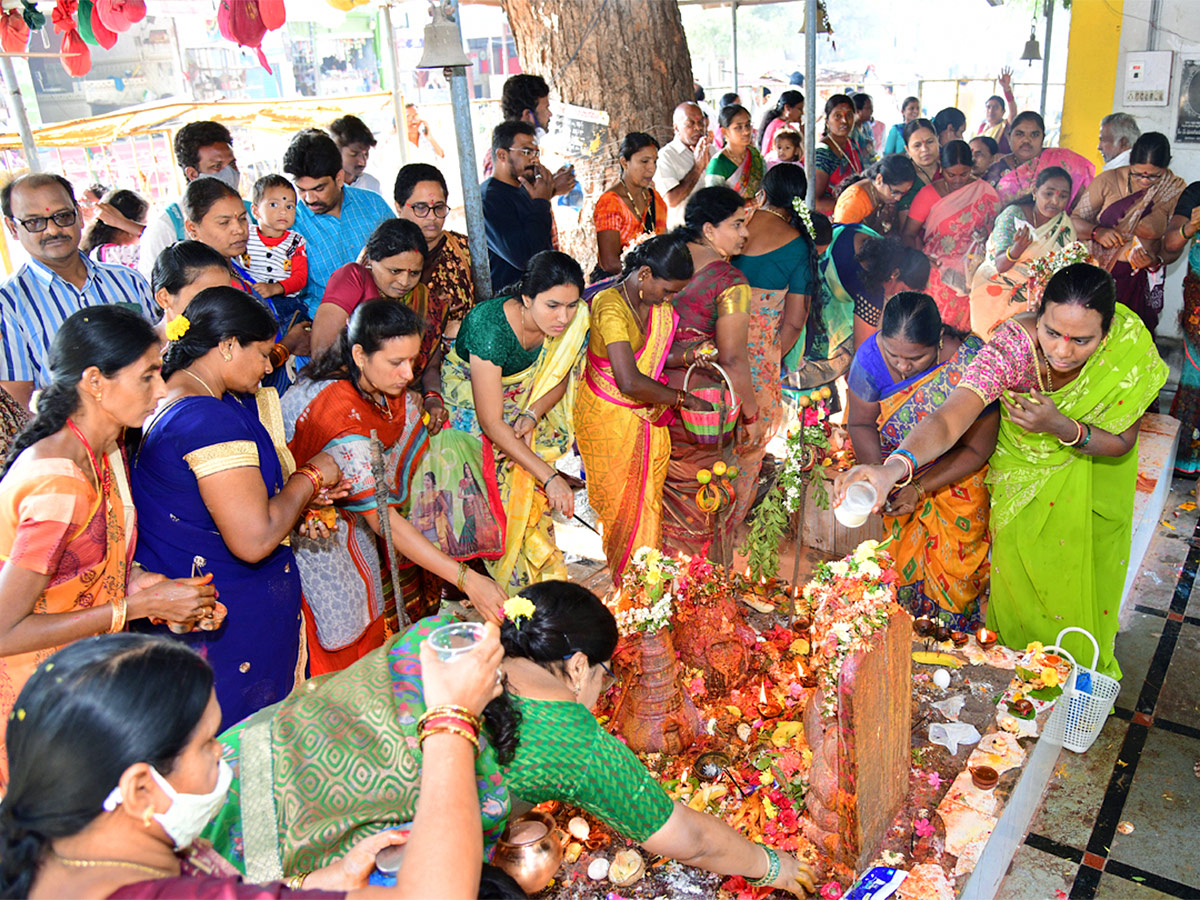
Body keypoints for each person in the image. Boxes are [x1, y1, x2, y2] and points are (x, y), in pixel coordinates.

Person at [203, 583, 819, 896]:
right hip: (290, 856)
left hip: (225, 761)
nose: (604, 690)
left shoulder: (444, 633)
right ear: (579, 667)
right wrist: (775, 863)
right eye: (605, 675)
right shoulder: (575, 744)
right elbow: (690, 838)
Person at [836, 263, 1167, 678]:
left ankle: (1078, 677)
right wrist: (893, 469)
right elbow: (948, 417)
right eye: (1051, 332)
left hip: (1096, 475)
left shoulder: (1127, 347)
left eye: (1082, 340)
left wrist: (1059, 426)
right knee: (1019, 586)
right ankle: (1024, 688)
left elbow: (1120, 442)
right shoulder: (1010, 349)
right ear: (1038, 311)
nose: (1063, 351)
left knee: (1083, 580)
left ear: (1107, 330)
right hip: (1021, 478)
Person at [0, 628, 506, 899]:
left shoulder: (57, 850)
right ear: (139, 791)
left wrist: (323, 881)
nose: (225, 752)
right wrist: (450, 718)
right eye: (206, 745)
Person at [0, 306, 218, 783]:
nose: (161, 390)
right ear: (95, 381)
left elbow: (79, 568)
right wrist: (134, 608)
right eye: (147, 377)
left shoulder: (104, 449)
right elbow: (4, 630)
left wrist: (151, 588)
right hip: (38, 699)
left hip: (81, 677)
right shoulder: (58, 483)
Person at [131, 287, 333, 729]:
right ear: (226, 346)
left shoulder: (173, 396)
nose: (268, 366)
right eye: (262, 353)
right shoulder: (207, 420)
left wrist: (298, 511)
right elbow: (255, 539)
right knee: (237, 747)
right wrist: (312, 478)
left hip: (195, 608)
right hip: (226, 614)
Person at [285, 300, 509, 674]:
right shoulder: (338, 412)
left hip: (351, 521)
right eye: (395, 363)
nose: (408, 374)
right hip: (314, 534)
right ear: (358, 354)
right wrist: (466, 579)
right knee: (341, 630)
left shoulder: (378, 388)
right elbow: (381, 518)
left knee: (369, 616)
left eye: (413, 361)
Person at [846, 292, 997, 630]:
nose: (901, 366)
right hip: (895, 483)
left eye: (915, 358)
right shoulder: (869, 360)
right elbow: (860, 423)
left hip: (957, 481)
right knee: (898, 572)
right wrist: (880, 483)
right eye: (892, 354)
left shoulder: (972, 362)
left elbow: (977, 449)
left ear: (939, 339)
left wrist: (920, 486)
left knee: (955, 578)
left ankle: (954, 642)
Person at [440, 251, 588, 593]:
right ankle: (503, 591)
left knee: (528, 502)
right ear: (525, 298)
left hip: (522, 411)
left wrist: (531, 414)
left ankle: (537, 588)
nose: (563, 318)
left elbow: (559, 376)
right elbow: (491, 423)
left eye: (570, 305)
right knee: (495, 501)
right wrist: (549, 476)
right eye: (552, 306)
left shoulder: (574, 320)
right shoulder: (490, 328)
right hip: (473, 416)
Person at [575, 234, 700, 581]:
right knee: (620, 513)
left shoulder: (654, 306)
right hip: (608, 419)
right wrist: (681, 399)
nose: (670, 299)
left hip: (643, 417)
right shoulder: (609, 306)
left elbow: (654, 355)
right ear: (644, 274)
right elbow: (629, 380)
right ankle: (630, 589)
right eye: (668, 290)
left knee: (646, 507)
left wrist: (690, 355)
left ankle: (645, 585)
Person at [0, 173, 157, 409]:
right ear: (13, 228)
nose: (52, 230)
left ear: (79, 215)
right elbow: (19, 404)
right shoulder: (8, 304)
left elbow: (160, 356)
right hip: (71, 442)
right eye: (34, 222)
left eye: (62, 216)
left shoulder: (128, 281)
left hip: (147, 428)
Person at [659, 187, 756, 554]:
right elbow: (732, 359)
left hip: (646, 394)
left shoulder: (661, 259)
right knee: (702, 494)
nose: (745, 234)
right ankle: (697, 588)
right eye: (737, 224)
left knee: (658, 491)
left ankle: (656, 587)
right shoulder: (729, 281)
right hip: (699, 405)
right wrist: (751, 415)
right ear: (709, 229)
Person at [731, 165, 816, 521]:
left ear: (764, 189)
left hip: (709, 352)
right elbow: (795, 321)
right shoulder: (797, 245)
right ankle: (730, 525)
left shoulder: (735, 221)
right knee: (749, 449)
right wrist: (768, 352)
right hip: (757, 361)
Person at [181, 178, 309, 390]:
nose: (239, 230)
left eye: (242, 219)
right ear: (192, 228)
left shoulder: (240, 270)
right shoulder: (200, 287)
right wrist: (287, 345)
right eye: (224, 223)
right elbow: (228, 367)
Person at [1070, 132, 1186, 336]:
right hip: (1099, 277)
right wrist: (1097, 232)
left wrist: (1154, 262)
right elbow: (1074, 221)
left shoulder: (1173, 190)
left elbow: (1174, 245)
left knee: (1133, 339)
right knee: (1094, 335)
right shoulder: (1108, 181)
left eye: (1153, 176)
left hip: (1139, 281)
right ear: (1130, 163)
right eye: (1138, 173)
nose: (1145, 181)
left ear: (1165, 169)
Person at [394, 163, 476, 421]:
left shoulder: (464, 249)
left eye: (439, 208)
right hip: (403, 388)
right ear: (399, 206)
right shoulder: (382, 255)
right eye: (420, 208)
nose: (432, 217)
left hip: (464, 381)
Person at [283, 129, 393, 319]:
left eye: (319, 188)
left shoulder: (373, 205)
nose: (309, 198)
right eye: (302, 189)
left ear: (339, 178)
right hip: (329, 332)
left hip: (384, 321)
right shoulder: (291, 226)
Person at [901, 140, 1000, 331]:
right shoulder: (927, 194)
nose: (957, 180)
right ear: (941, 167)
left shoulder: (984, 191)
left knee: (964, 335)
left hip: (974, 273)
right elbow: (908, 234)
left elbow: (995, 230)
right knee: (932, 331)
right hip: (937, 272)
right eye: (950, 174)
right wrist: (921, 258)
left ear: (972, 168)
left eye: (964, 174)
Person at [970, 167, 1076, 339]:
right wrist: (1017, 249)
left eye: (1062, 196)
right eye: (1048, 194)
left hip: (1037, 301)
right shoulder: (1013, 214)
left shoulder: (1063, 225)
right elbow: (1000, 265)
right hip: (996, 294)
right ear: (1035, 191)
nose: (1055, 201)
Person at [309, 219, 429, 368]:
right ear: (371, 259)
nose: (404, 282)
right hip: (338, 380)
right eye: (395, 271)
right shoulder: (353, 278)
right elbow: (322, 352)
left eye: (414, 273)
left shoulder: (419, 297)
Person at [138, 121, 250, 281]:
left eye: (232, 164)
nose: (230, 173)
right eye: (217, 166)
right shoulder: (166, 226)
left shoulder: (248, 211)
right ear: (192, 173)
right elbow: (154, 290)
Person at [481, 121, 555, 291]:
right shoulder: (489, 198)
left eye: (536, 152)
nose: (534, 159)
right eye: (526, 152)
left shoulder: (525, 190)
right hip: (508, 304)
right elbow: (525, 258)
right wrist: (541, 204)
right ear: (502, 155)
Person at [592, 132, 667, 280]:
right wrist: (648, 274)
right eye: (644, 161)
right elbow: (609, 263)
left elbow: (660, 247)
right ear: (624, 162)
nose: (651, 169)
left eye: (654, 162)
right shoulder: (610, 202)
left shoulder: (655, 200)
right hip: (617, 283)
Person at [984, 111, 1094, 209]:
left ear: (1043, 138)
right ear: (1009, 137)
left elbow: (1085, 203)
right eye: (1019, 134)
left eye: (1034, 135)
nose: (1026, 140)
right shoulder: (996, 169)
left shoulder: (1063, 160)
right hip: (1008, 228)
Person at [1164, 182, 1200, 474]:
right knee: (1195, 378)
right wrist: (1191, 227)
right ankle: (1189, 460)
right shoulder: (1196, 193)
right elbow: (1170, 245)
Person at [241, 175, 309, 326]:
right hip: (249, 301)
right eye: (274, 205)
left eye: (289, 206)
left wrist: (275, 288)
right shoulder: (245, 235)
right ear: (255, 210)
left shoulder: (295, 242)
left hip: (285, 303)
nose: (283, 211)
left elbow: (300, 278)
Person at [150, 241, 235, 337]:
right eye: (205, 298)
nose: (220, 307)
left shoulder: (234, 342)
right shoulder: (142, 350)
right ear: (164, 298)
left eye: (227, 296)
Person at [655, 101, 713, 229]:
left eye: (700, 123)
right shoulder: (666, 156)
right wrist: (697, 169)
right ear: (676, 128)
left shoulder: (712, 151)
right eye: (690, 124)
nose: (697, 128)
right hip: (683, 232)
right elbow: (671, 200)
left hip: (712, 230)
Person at [833, 154, 917, 235]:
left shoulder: (880, 193)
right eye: (895, 192)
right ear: (879, 179)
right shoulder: (854, 200)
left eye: (904, 193)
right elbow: (840, 239)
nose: (898, 198)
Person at [812, 94, 863, 214]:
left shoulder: (852, 144)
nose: (844, 121)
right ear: (827, 121)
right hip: (830, 221)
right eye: (837, 116)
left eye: (849, 115)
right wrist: (851, 205)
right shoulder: (822, 152)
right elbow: (815, 201)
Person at [704, 104, 766, 201]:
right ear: (724, 132)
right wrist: (745, 204)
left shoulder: (754, 154)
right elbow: (714, 202)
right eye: (738, 127)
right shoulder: (718, 163)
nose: (746, 132)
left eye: (748, 125)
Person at [80, 188, 148, 269]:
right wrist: (124, 223)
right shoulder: (111, 255)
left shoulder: (101, 253)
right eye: (144, 222)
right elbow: (157, 243)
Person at [329, 113, 382, 195]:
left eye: (366, 153)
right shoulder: (324, 188)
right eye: (354, 154)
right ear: (337, 153)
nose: (362, 161)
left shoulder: (371, 185)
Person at [758, 89, 804, 157]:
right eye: (800, 109)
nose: (802, 113)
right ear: (787, 108)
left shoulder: (774, 123)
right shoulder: (786, 130)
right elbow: (800, 156)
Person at [976, 69, 1017, 143]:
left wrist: (1007, 89)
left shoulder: (1005, 126)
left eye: (995, 107)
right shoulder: (982, 127)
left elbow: (1013, 112)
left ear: (1003, 111)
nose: (991, 111)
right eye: (988, 107)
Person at [851, 93, 878, 164]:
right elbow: (852, 159)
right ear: (857, 111)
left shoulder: (866, 126)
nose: (872, 111)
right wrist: (867, 148)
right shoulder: (851, 131)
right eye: (868, 108)